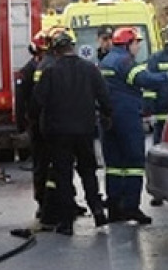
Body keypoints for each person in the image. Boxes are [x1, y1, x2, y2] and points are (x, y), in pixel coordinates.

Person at [99, 26, 168, 224]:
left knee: (114, 165)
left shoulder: (106, 60)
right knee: (134, 162)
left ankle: (115, 208)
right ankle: (131, 207)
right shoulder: (125, 61)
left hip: (108, 119)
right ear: (128, 44)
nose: (138, 47)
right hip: (127, 118)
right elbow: (145, 79)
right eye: (136, 43)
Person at [33, 30, 112, 235]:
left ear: (55, 51)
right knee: (88, 171)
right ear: (73, 47)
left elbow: (38, 101)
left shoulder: (50, 71)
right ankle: (97, 211)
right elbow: (104, 96)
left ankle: (67, 222)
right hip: (85, 130)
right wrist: (106, 115)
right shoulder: (90, 69)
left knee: (63, 175)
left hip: (58, 133)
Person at [15, 31, 51, 221]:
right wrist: (22, 126)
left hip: (51, 124)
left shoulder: (48, 68)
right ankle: (41, 202)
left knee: (57, 164)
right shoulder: (28, 72)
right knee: (41, 165)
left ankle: (61, 201)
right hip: (37, 125)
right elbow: (21, 102)